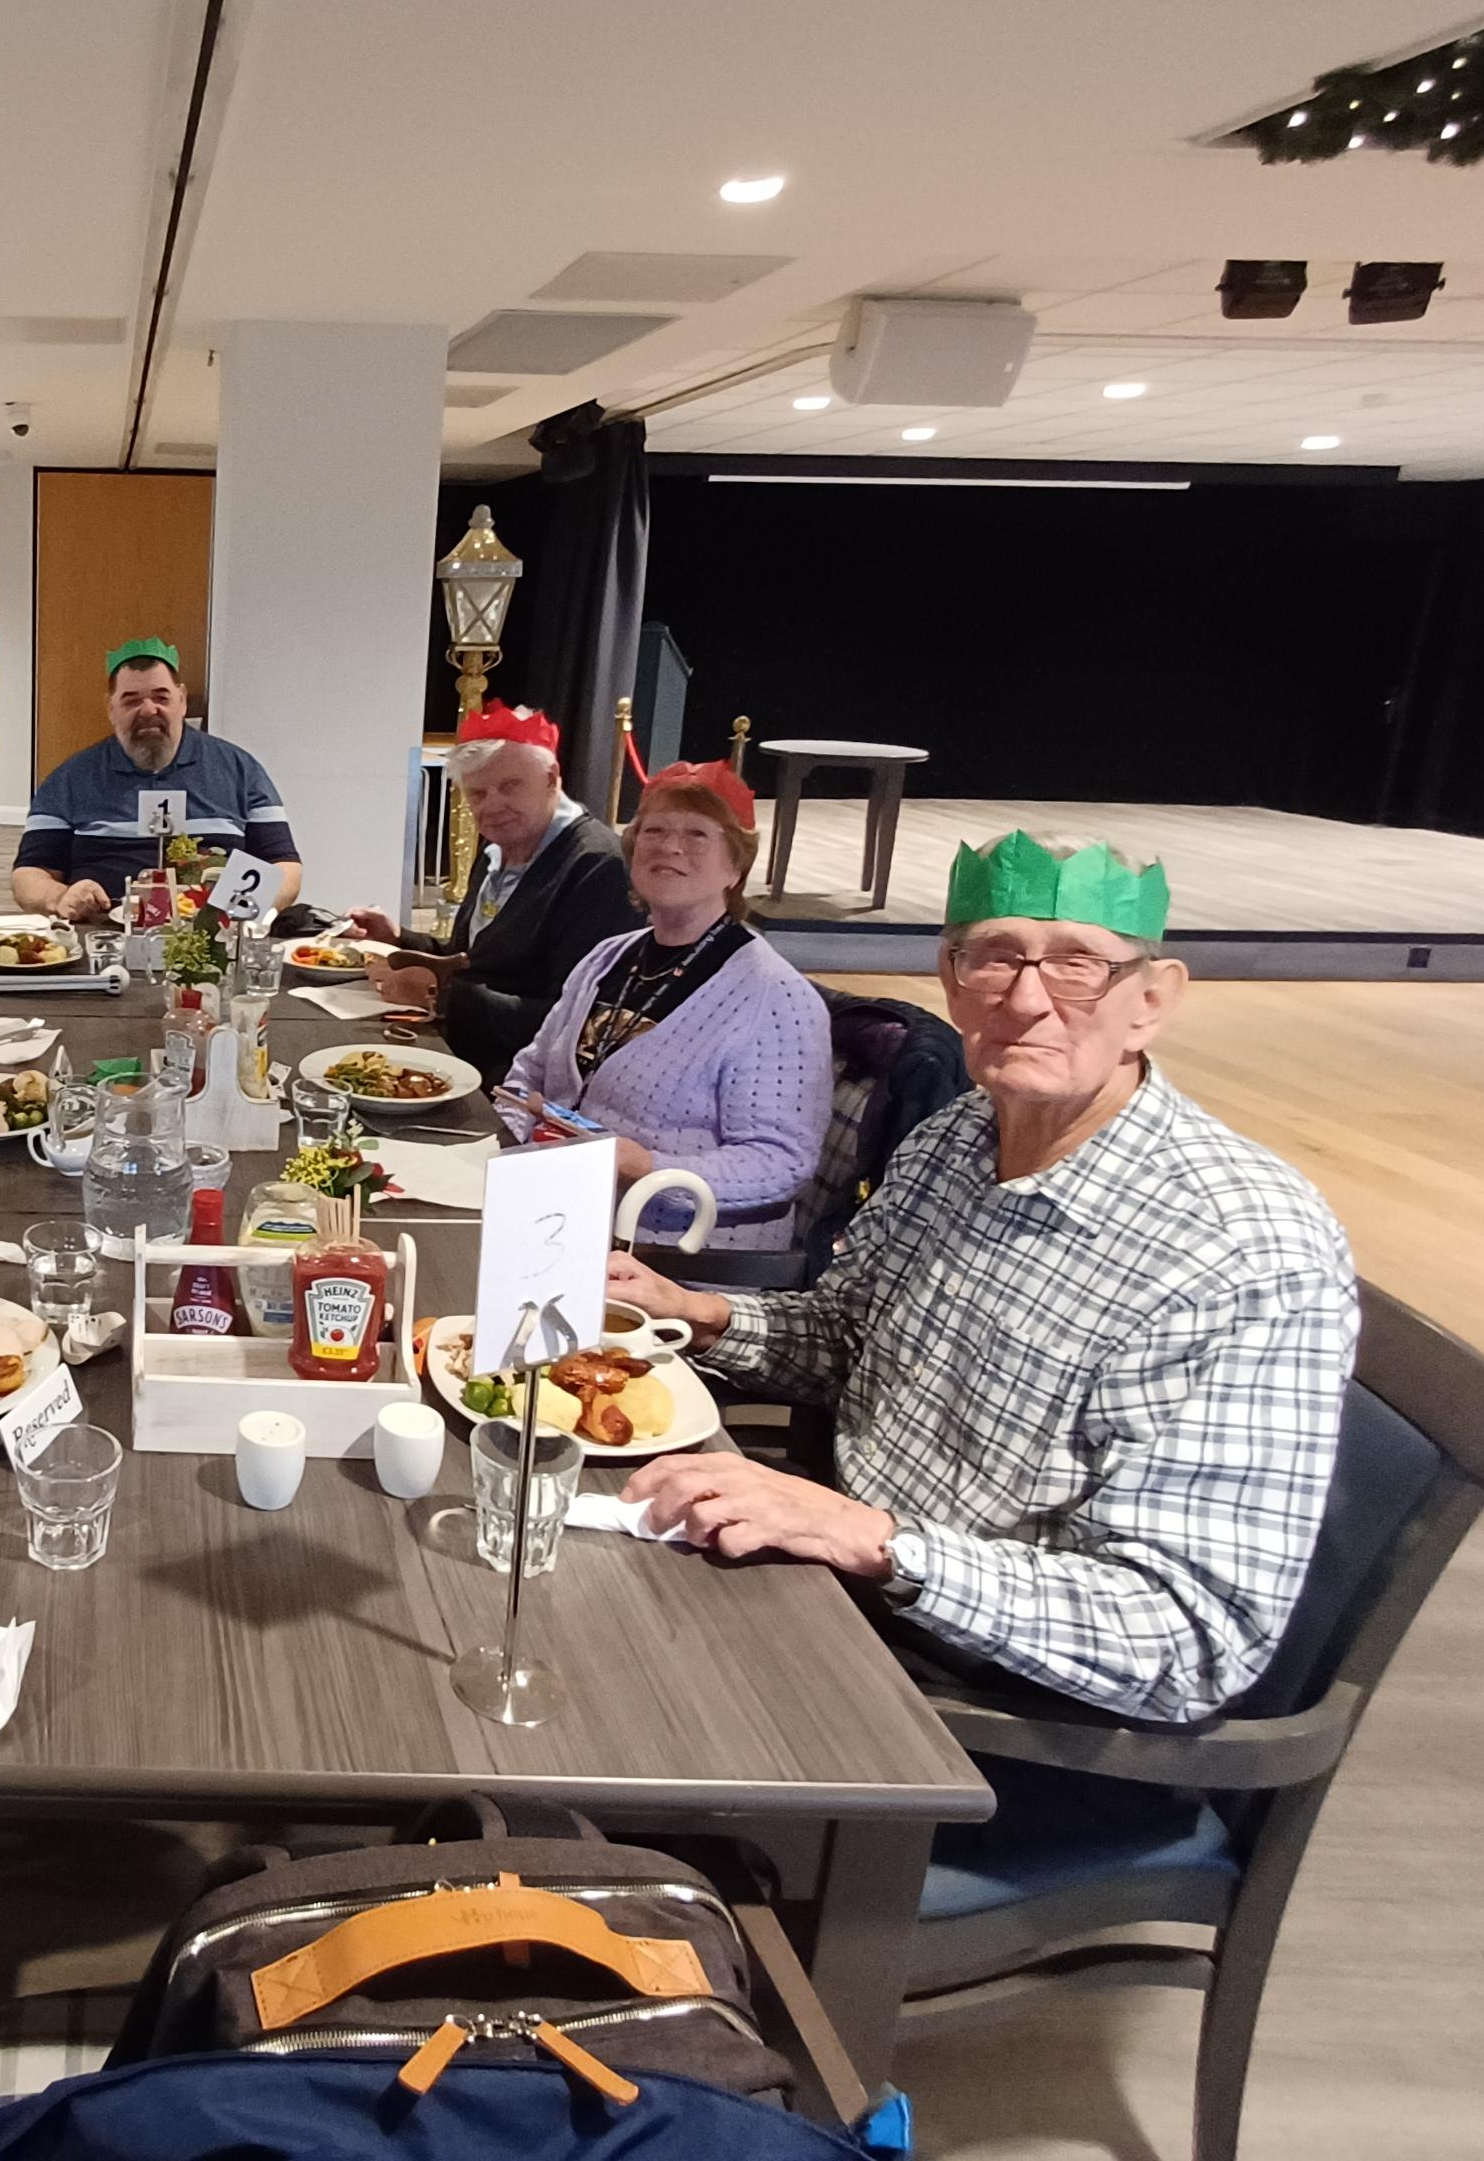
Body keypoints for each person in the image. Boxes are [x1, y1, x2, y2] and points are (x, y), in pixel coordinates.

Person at [605, 831, 1358, 1725]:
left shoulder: (1243, 1253)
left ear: (1152, 1001)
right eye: (994, 958)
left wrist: (875, 1542)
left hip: (985, 1710)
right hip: (836, 1589)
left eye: (1079, 966)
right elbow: (853, 1340)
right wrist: (695, 1313)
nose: (1027, 1001)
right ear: (952, 980)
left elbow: (1186, 1639)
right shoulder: (958, 1136)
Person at [495, 759, 828, 1250]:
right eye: (654, 830)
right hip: (561, 1217)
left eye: (697, 834)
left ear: (736, 866)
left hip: (674, 1258)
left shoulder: (775, 997)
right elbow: (530, 1072)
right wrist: (524, 1143)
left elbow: (780, 1163)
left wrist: (644, 1167)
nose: (670, 846)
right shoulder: (608, 957)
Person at [343, 702, 639, 1067]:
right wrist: (400, 940)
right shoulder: (497, 849)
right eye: (478, 794)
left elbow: (573, 1023)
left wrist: (440, 994)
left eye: (510, 786)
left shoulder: (597, 866)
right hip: (461, 1052)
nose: (493, 805)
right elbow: (475, 959)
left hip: (517, 1083)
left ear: (551, 777)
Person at [10, 639, 302, 921]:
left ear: (182, 700)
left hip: (214, 935)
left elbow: (285, 867)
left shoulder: (241, 770)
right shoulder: (70, 777)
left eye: (161, 697)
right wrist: (60, 897)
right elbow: (28, 876)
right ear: (110, 708)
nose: (149, 710)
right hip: (101, 932)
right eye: (131, 700)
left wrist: (236, 912)